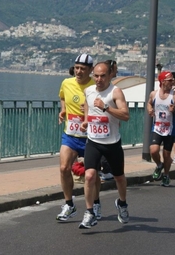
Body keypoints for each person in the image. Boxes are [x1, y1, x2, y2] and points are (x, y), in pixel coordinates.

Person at [78, 62, 130, 229]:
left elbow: (125, 115)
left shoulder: (115, 92)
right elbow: (87, 103)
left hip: (112, 143)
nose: (99, 79)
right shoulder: (89, 91)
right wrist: (86, 120)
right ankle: (89, 212)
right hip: (93, 141)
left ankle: (122, 203)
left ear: (109, 76)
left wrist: (106, 107)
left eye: (102, 76)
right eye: (96, 76)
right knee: (89, 176)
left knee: (119, 178)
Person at [56, 54, 98, 221]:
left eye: (83, 69)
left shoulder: (95, 86)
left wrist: (91, 109)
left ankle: (95, 203)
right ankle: (69, 205)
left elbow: (107, 107)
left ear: (90, 70)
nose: (79, 71)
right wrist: (64, 110)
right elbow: (62, 97)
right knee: (64, 168)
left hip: (91, 137)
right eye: (77, 68)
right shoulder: (66, 83)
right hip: (70, 134)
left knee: (92, 175)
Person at [147, 71, 175, 187]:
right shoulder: (154, 94)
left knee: (167, 155)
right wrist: (149, 110)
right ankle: (159, 165)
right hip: (157, 127)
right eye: (170, 80)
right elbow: (149, 104)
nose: (172, 82)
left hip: (170, 129)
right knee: (153, 150)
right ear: (163, 81)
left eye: (173, 80)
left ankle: (166, 175)